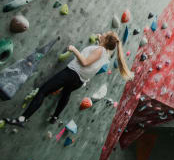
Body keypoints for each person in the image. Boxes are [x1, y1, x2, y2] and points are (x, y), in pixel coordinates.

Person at [4, 31, 133, 127]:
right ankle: (55, 116)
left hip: (72, 73)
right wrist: (100, 41)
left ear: (106, 40)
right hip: (78, 80)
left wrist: (73, 49)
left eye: (105, 34)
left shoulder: (100, 50)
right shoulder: (106, 54)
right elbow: (96, 54)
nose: (102, 33)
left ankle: (22, 119)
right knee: (66, 93)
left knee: (43, 91)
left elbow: (85, 62)